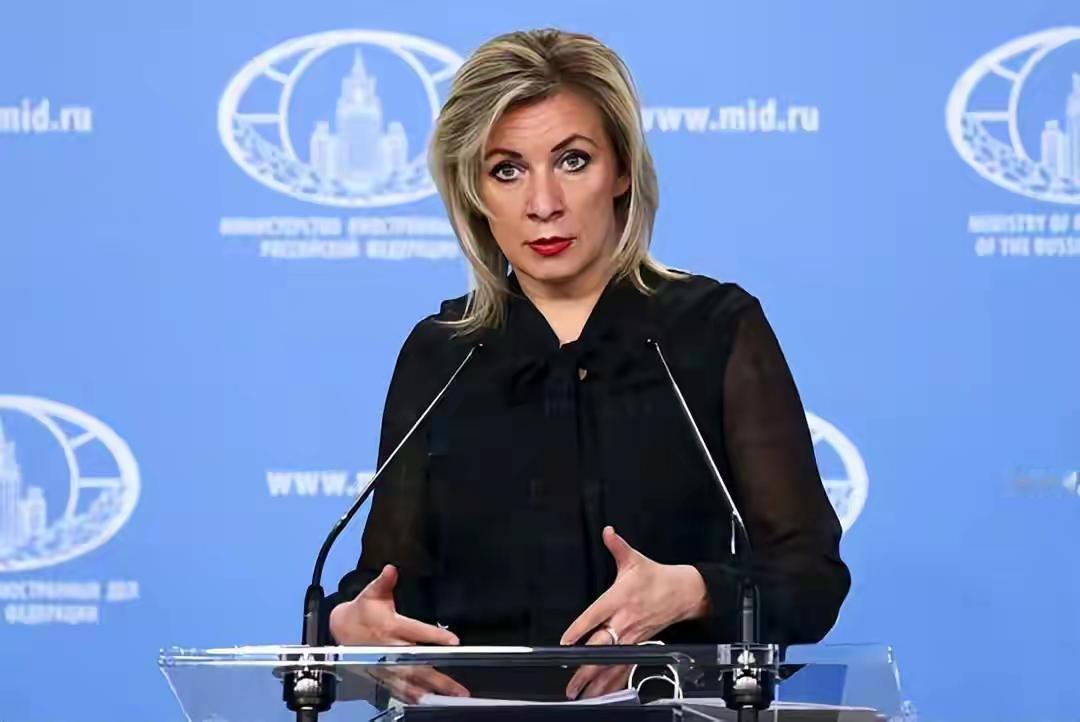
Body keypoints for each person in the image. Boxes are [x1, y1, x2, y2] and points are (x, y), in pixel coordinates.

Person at [325, 27, 850, 703]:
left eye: (572, 161)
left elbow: (809, 578)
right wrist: (350, 625)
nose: (543, 204)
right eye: (507, 170)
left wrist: (692, 591)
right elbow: (385, 584)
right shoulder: (442, 352)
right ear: (473, 190)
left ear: (622, 170)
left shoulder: (713, 329)